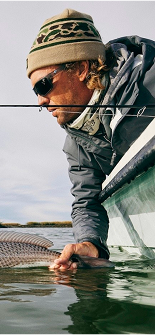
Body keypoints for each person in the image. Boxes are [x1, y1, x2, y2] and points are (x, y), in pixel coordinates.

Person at [26, 8, 155, 269]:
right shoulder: (75, 144)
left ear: (82, 68)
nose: (40, 101)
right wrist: (90, 242)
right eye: (35, 92)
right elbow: (86, 201)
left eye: (43, 85)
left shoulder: (150, 81)